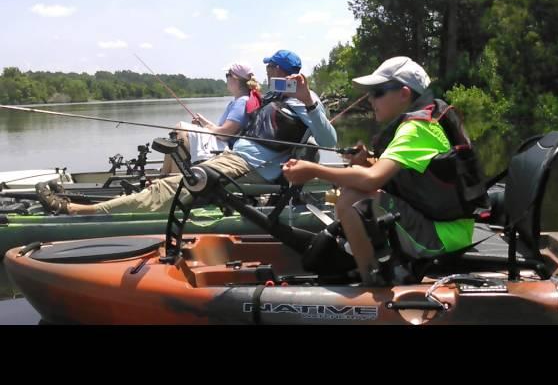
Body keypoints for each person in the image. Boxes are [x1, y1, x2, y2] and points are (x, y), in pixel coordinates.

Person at [37, 49, 337, 216]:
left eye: (273, 67)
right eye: (268, 67)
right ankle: (106, 204)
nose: (269, 71)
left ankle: (79, 211)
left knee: (174, 186)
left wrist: (309, 100)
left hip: (252, 167)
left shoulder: (303, 100)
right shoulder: (271, 96)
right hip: (235, 158)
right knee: (174, 182)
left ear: (286, 72)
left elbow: (329, 141)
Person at [283, 56, 487, 285]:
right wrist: (366, 161)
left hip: (443, 238)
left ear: (404, 93)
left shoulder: (417, 129)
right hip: (447, 228)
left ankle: (373, 283)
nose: (370, 99)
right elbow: (397, 176)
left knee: (351, 199)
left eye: (378, 92)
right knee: (356, 191)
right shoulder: (419, 123)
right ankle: (377, 264)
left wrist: (313, 170)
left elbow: (371, 180)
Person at [160, 62, 261, 174]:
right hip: (222, 142)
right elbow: (222, 129)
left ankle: (176, 177)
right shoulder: (239, 101)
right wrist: (204, 123)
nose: (226, 79)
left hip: (226, 147)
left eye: (227, 75)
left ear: (235, 79)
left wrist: (207, 126)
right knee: (178, 133)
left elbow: (225, 134)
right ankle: (165, 176)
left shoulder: (242, 102)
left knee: (180, 130)